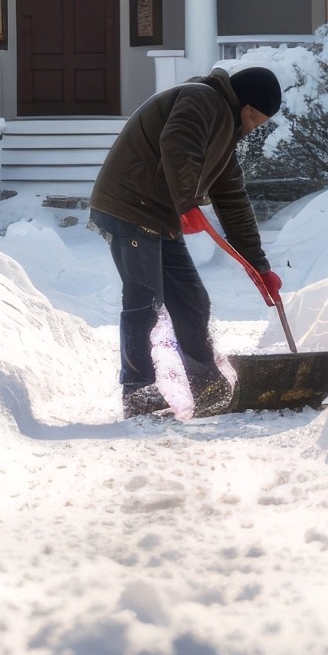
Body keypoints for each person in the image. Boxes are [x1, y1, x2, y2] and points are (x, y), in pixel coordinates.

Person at [89, 65, 284, 418]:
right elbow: (177, 144)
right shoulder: (202, 100)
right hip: (129, 205)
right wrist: (187, 203)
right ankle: (137, 390)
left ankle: (207, 386)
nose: (253, 127)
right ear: (241, 102)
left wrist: (260, 266)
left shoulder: (223, 134)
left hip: (159, 213)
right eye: (253, 117)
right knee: (143, 298)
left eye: (261, 122)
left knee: (191, 298)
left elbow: (234, 200)